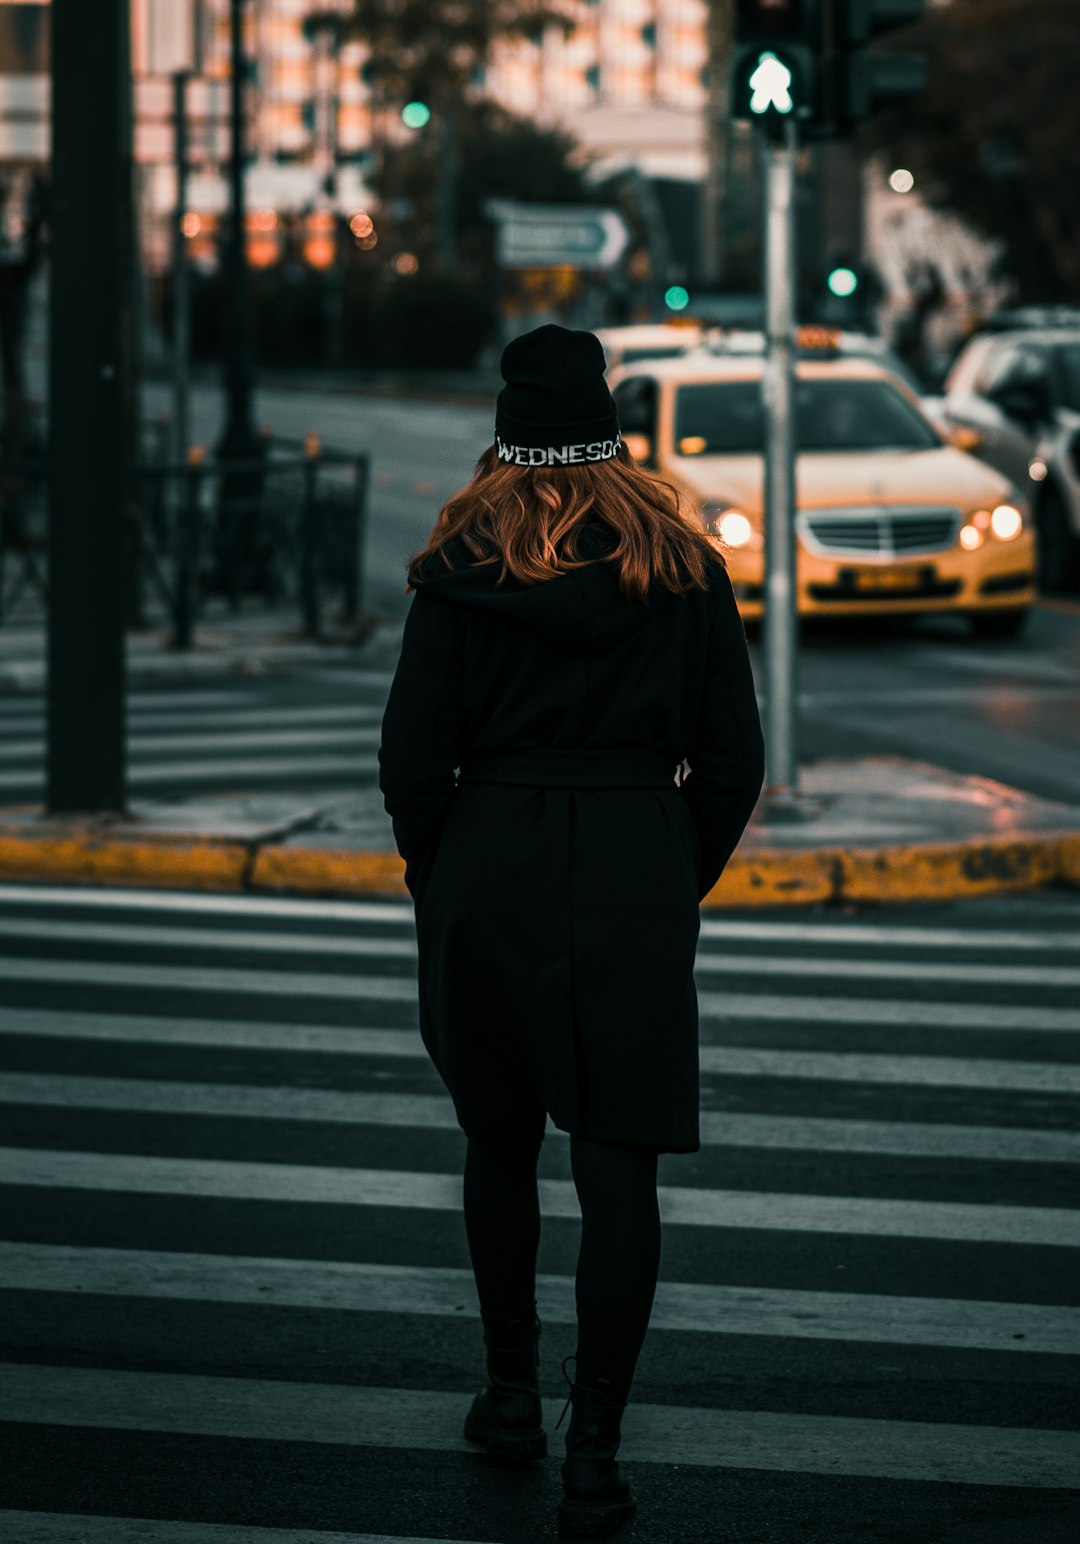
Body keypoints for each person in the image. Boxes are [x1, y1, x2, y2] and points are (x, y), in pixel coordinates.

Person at [378, 323, 765, 1537]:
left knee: (499, 1142)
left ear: (507, 433)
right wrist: (667, 871)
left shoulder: (459, 560)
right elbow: (735, 762)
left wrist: (440, 872)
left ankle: (507, 1394)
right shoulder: (684, 564)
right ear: (612, 422)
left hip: (486, 855)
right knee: (619, 1168)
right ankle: (595, 1447)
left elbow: (410, 759)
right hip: (633, 859)